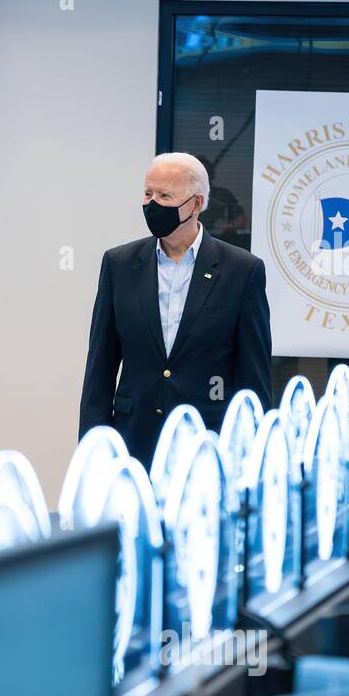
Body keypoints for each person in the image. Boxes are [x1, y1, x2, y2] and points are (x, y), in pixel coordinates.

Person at [79, 152, 273, 464]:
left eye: (165, 195)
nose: (152, 204)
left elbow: (253, 378)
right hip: (133, 444)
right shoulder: (119, 264)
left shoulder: (242, 270)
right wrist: (92, 452)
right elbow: (99, 369)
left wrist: (252, 459)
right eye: (147, 193)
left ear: (196, 204)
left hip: (209, 448)